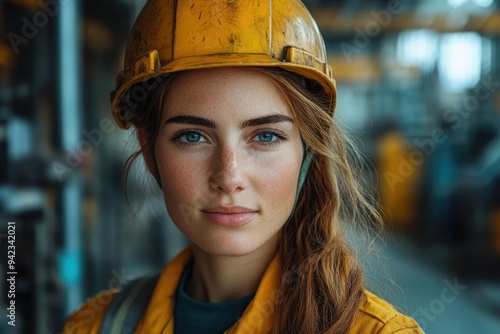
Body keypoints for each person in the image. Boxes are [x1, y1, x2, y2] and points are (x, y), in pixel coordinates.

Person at [63, 0, 423, 333]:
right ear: (148, 148)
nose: (229, 177)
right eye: (192, 137)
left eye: (265, 136)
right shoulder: (93, 327)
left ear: (308, 150)